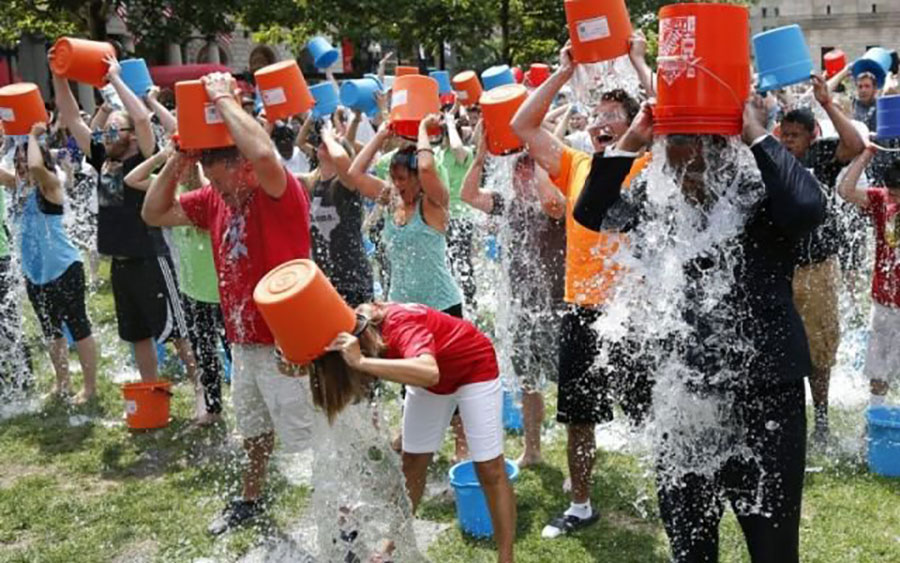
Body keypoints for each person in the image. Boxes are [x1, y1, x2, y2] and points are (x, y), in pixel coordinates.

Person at [573, 95, 824, 563]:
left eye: (696, 157)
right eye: (673, 152)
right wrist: (633, 138)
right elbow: (593, 212)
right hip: (685, 401)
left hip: (766, 400)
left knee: (774, 552)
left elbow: (808, 208)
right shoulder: (658, 197)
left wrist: (755, 133)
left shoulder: (758, 193)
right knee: (690, 551)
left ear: (724, 151)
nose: (686, 174)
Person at [142, 71, 315, 534]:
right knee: (255, 428)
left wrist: (223, 97)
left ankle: (340, 514)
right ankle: (251, 497)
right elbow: (153, 211)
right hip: (243, 339)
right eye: (213, 185)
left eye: (223, 183)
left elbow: (262, 151)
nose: (218, 194)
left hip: (288, 342)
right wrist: (179, 157)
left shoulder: (280, 191)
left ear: (243, 167)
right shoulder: (216, 200)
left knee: (310, 437)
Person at [510, 41, 652, 538]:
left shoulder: (645, 162)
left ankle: (674, 490)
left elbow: (666, 115)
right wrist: (561, 71)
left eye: (613, 114)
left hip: (636, 313)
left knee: (652, 410)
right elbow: (522, 127)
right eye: (597, 114)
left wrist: (637, 63)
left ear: (633, 125)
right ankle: (581, 503)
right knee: (579, 417)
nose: (601, 121)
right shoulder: (574, 163)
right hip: (583, 310)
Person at [311, 302, 515, 563]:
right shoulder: (358, 326)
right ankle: (390, 545)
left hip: (473, 369)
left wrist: (361, 362)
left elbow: (429, 372)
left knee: (489, 468)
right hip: (430, 382)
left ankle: (506, 557)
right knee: (412, 464)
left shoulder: (401, 326)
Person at [51, 52, 194, 384]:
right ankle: (151, 390)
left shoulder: (143, 155)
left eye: (116, 130)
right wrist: (59, 75)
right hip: (120, 262)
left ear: (130, 135)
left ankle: (204, 391)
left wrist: (115, 78)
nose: (107, 134)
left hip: (150, 257)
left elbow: (143, 119)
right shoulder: (102, 159)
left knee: (176, 332)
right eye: (107, 130)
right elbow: (72, 118)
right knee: (137, 334)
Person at [347, 115, 469, 459]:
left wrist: (422, 131)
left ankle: (463, 450)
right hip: (401, 308)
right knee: (409, 381)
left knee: (450, 379)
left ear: (417, 177)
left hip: (441, 306)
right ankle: (413, 441)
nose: (397, 184)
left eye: (403, 178)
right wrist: (383, 133)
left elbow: (429, 168)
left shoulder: (434, 203)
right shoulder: (391, 201)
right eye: (394, 178)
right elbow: (355, 174)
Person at [461, 125, 566, 467]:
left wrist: (537, 150)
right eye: (518, 173)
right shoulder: (506, 205)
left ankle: (570, 459)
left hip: (557, 308)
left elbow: (551, 193)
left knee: (565, 386)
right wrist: (479, 155)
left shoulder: (555, 205)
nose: (523, 180)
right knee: (528, 383)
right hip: (522, 307)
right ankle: (532, 450)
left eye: (529, 172)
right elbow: (468, 195)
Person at [777, 74, 865, 446]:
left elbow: (857, 144)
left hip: (817, 268)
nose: (788, 141)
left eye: (795, 135)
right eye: (784, 134)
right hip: (781, 270)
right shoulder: (771, 159)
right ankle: (788, 420)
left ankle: (823, 420)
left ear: (811, 136)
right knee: (782, 346)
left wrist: (827, 103)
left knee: (820, 348)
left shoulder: (822, 157)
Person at [125, 142, 227, 425]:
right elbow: (132, 179)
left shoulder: (207, 194)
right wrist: (165, 157)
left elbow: (208, 185)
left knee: (232, 350)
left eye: (183, 168)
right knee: (205, 353)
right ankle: (214, 409)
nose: (178, 174)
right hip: (192, 289)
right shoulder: (170, 191)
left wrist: (191, 158)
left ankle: (248, 407)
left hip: (219, 289)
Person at [837, 146, 900, 407]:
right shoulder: (880, 200)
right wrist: (867, 154)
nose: (894, 199)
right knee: (878, 369)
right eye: (892, 194)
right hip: (884, 301)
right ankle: (874, 420)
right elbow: (845, 191)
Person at [298, 121, 375, 307]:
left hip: (353, 279)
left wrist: (328, 137)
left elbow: (341, 159)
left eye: (336, 142)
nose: (327, 143)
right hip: (326, 281)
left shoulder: (346, 183)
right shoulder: (312, 182)